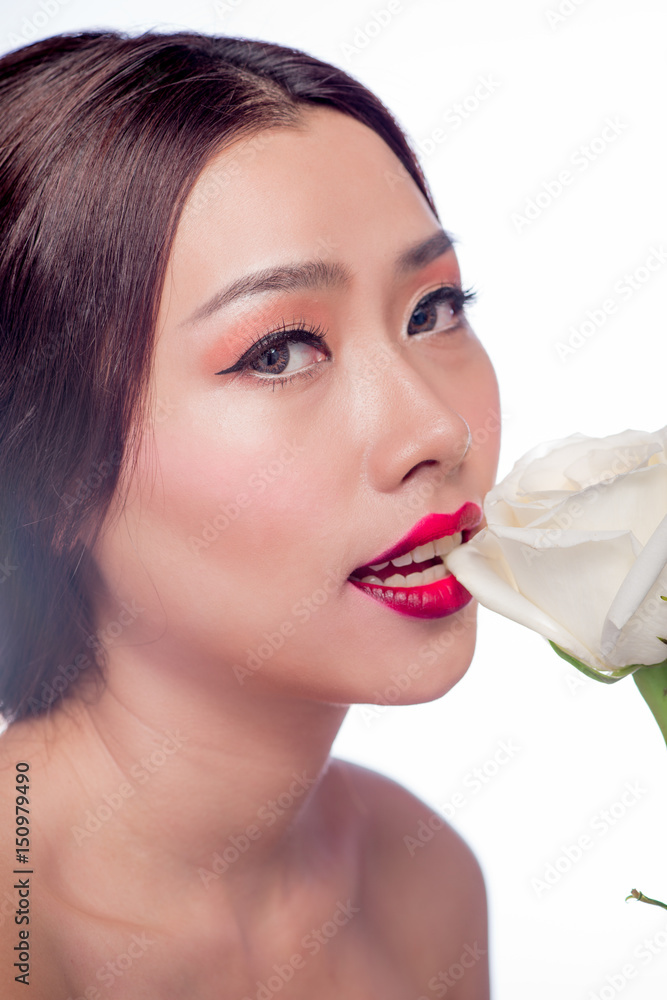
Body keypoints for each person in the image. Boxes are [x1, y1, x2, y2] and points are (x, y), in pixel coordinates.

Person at [0, 29, 500, 998]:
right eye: (277, 351)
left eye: (433, 309)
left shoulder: (422, 882)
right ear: (48, 473)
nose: (433, 429)